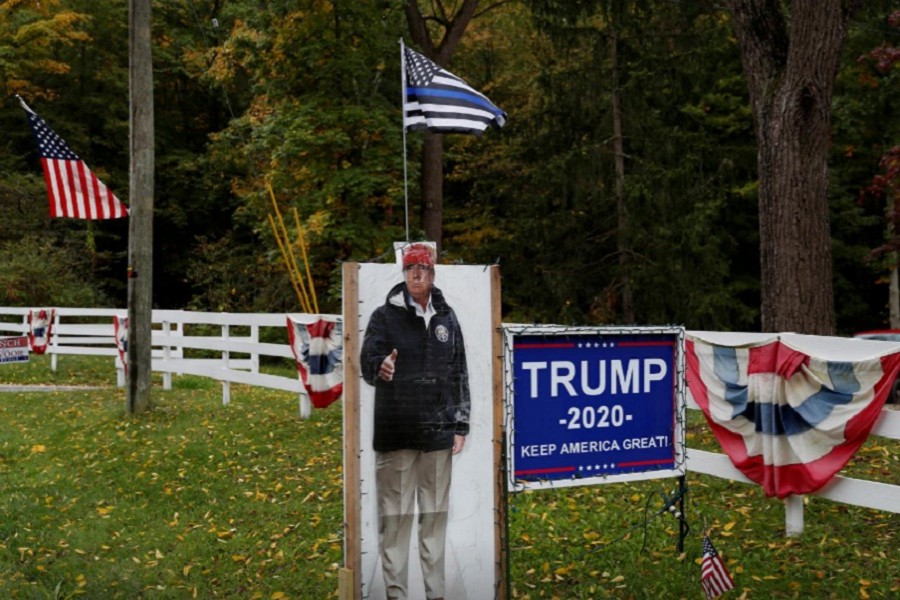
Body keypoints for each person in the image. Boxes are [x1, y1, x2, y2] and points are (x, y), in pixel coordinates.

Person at [360, 243, 471, 600]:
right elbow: (368, 360)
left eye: (422, 268)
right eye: (410, 268)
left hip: (438, 435)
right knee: (395, 522)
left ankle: (435, 594)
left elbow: (458, 371)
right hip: (396, 433)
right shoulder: (383, 316)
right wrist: (380, 366)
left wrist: (460, 424)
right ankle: (396, 595)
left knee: (434, 519)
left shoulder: (447, 318)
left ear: (433, 273)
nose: (416, 274)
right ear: (404, 273)